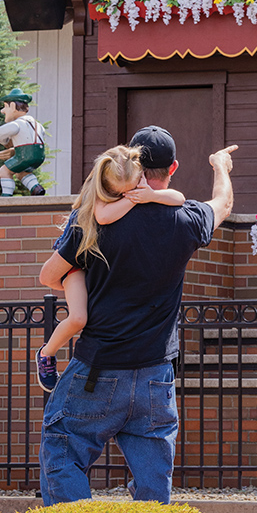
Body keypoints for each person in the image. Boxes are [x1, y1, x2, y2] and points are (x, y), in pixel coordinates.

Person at [38, 126, 237, 505]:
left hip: (97, 370)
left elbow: (49, 275)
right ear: (172, 167)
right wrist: (220, 166)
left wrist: (79, 282)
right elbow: (222, 205)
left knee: (62, 451)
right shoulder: (186, 219)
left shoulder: (95, 221)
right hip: (155, 375)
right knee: (152, 480)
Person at [34, 145, 186, 393]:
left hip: (92, 263)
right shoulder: (97, 202)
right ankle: (46, 354)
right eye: (122, 193)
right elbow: (104, 218)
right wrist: (134, 198)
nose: (130, 195)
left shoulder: (130, 188)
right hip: (75, 265)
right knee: (78, 318)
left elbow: (179, 198)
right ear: (108, 189)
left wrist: (151, 195)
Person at [0, 88, 46, 196]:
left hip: (25, 155)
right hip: (39, 156)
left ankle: (6, 197)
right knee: (21, 172)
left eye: (5, 107)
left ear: (12, 106)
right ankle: (36, 188)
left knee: (4, 171)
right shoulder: (37, 124)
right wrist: (15, 148)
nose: (2, 111)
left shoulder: (17, 124)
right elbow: (39, 135)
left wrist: (6, 143)